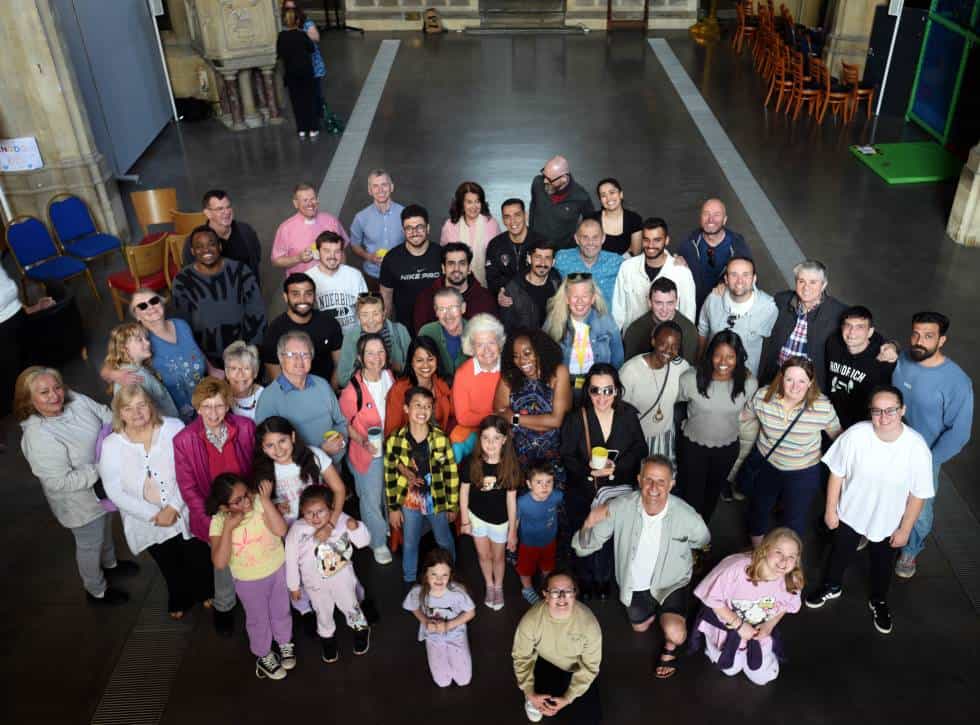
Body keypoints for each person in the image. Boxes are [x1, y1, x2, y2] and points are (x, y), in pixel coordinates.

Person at [806, 386, 934, 634]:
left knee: (882, 563)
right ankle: (832, 586)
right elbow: (837, 473)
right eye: (877, 411)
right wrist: (830, 510)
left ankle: (879, 600)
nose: (883, 417)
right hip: (850, 513)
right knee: (839, 552)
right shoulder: (855, 435)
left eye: (891, 411)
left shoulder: (916, 447)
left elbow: (919, 494)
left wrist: (906, 529)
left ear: (902, 410)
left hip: (888, 521)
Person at [573, 455, 710, 679]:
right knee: (640, 627)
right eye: (649, 480)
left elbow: (702, 539)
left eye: (661, 481)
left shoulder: (688, 516)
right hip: (634, 584)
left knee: (675, 633)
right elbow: (586, 546)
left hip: (671, 582)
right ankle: (660, 612)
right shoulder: (618, 507)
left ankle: (669, 645)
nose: (654, 487)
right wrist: (589, 522)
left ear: (671, 484)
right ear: (639, 479)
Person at [16, 367, 137, 605]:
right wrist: (102, 465)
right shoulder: (37, 435)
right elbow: (60, 481)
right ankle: (96, 589)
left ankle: (110, 565)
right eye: (44, 392)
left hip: (103, 488)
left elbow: (105, 414)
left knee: (105, 527)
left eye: (57, 387)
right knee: (90, 543)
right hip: (78, 503)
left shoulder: (76, 400)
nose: (55, 396)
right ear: (29, 399)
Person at [99, 385, 213, 618]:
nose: (136, 413)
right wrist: (152, 513)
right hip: (147, 520)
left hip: (184, 509)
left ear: (150, 406)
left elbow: (190, 471)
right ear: (119, 413)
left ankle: (205, 590)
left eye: (141, 405)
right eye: (128, 408)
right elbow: (114, 489)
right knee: (168, 561)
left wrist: (173, 506)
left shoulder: (174, 428)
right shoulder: (111, 445)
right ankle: (178, 594)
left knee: (197, 554)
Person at [891, 312, 972, 579]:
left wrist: (929, 460)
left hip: (925, 456)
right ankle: (876, 530)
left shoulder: (956, 381)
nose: (919, 341)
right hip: (890, 444)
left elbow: (959, 433)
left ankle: (911, 549)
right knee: (884, 493)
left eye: (928, 336)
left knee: (921, 511)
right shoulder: (904, 359)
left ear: (942, 340)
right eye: (915, 334)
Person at [174, 377, 256, 635]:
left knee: (253, 554)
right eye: (206, 406)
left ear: (228, 406)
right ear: (197, 407)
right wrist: (213, 523)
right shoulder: (183, 440)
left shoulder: (245, 427)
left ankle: (255, 604)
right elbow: (188, 488)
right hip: (214, 514)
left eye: (219, 406)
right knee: (223, 565)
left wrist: (252, 505)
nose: (213, 413)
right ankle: (224, 606)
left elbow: (255, 467)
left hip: (247, 506)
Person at [561, 363, 646, 599]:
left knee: (611, 539)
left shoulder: (628, 415)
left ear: (617, 390)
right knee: (585, 535)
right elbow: (567, 455)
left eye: (608, 390)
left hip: (617, 491)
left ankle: (603, 579)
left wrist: (615, 468)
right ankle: (585, 581)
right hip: (584, 491)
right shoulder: (576, 419)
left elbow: (640, 449)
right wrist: (588, 472)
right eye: (595, 391)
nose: (601, 397)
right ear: (587, 391)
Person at [738, 356, 842, 544]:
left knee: (794, 520)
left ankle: (786, 565)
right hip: (768, 465)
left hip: (803, 472)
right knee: (758, 512)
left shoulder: (822, 407)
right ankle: (759, 557)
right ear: (781, 378)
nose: (795, 387)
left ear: (810, 383)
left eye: (802, 381)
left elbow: (840, 439)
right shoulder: (763, 397)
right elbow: (742, 416)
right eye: (789, 379)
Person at [208, 474, 295, 680]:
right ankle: (263, 654)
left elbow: (281, 530)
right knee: (258, 619)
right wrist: (229, 527)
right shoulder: (219, 522)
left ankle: (284, 642)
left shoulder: (258, 503)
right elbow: (220, 562)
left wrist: (265, 501)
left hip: (277, 570)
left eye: (246, 494)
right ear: (223, 507)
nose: (246, 501)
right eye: (237, 501)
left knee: (281, 610)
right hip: (248, 581)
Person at [691, 528, 803, 685]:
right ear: (765, 549)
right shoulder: (736, 567)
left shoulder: (792, 579)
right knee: (730, 669)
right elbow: (710, 598)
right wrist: (739, 625)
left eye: (791, 556)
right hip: (727, 624)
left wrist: (769, 626)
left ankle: (757, 649)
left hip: (758, 629)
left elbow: (785, 605)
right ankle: (713, 647)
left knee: (764, 677)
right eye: (779, 552)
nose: (784, 561)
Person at [286, 485, 372, 663]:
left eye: (320, 511)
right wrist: (293, 586)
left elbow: (363, 543)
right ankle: (327, 638)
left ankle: (360, 629)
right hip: (315, 585)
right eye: (310, 512)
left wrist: (355, 527)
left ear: (331, 508)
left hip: (343, 580)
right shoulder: (297, 530)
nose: (315, 517)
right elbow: (291, 559)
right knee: (322, 612)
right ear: (302, 511)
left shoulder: (341, 520)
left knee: (350, 605)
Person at [678, 331, 758, 518]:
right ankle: (686, 537)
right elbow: (671, 402)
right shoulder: (690, 378)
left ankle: (703, 535)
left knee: (712, 494)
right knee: (691, 495)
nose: (723, 362)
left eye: (730, 356)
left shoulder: (749, 383)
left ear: (738, 357)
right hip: (693, 447)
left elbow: (751, 409)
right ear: (710, 355)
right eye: (718, 355)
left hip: (726, 449)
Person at [385, 386, 460, 585]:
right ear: (406, 408)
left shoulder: (440, 439)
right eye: (417, 405)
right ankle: (409, 579)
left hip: (436, 496)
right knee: (410, 541)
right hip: (409, 498)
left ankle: (451, 573)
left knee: (443, 539)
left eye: (428, 406)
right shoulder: (395, 440)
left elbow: (451, 473)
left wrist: (452, 505)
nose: (422, 410)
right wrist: (393, 508)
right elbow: (390, 475)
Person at [512, 570, 602, 723]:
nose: (561, 597)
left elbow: (590, 666)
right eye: (555, 592)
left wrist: (568, 698)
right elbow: (521, 656)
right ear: (545, 596)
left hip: (575, 667)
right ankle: (531, 696)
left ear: (575, 594)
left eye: (567, 591)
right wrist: (529, 691)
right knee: (542, 704)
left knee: (591, 719)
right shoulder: (531, 620)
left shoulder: (589, 624)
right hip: (544, 661)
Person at [172, 226, 266, 370]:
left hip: (242, 350)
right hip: (207, 356)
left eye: (211, 244)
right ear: (192, 251)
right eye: (199, 246)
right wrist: (204, 362)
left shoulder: (241, 271)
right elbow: (183, 325)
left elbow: (257, 313)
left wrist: (252, 350)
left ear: (220, 246)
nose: (206, 250)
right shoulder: (183, 280)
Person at [339, 334, 396, 564]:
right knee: (371, 497)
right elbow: (342, 422)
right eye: (370, 353)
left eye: (380, 352)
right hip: (367, 452)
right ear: (361, 357)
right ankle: (378, 541)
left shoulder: (389, 376)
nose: (376, 357)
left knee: (386, 491)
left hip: (389, 447)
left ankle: (384, 527)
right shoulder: (353, 390)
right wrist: (362, 441)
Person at [255, 331, 348, 465]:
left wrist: (341, 441)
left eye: (305, 354)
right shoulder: (269, 398)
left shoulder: (322, 385)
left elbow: (341, 422)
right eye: (292, 355)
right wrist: (320, 452)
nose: (299, 360)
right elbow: (268, 447)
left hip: (334, 467)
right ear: (281, 358)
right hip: (299, 476)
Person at [459, 416, 521, 611]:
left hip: (500, 521)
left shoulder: (510, 465)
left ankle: (499, 586)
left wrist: (512, 530)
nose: (490, 443)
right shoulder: (471, 462)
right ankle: (489, 585)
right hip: (477, 518)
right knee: (483, 556)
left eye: (496, 438)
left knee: (498, 557)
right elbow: (464, 491)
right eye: (486, 438)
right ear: (480, 439)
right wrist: (465, 520)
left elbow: (511, 500)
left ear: (504, 440)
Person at [118, 289, 207, 422]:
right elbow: (117, 361)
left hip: (206, 399)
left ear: (162, 302)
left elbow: (194, 349)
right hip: (179, 417)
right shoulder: (142, 343)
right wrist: (113, 373)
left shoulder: (181, 324)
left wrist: (211, 368)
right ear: (137, 316)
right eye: (142, 306)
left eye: (154, 301)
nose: (150, 307)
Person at [493, 328, 570, 481]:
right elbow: (499, 411)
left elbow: (556, 420)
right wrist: (542, 421)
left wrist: (515, 419)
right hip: (517, 456)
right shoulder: (510, 376)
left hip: (552, 456)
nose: (521, 361)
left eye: (527, 353)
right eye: (516, 356)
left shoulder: (558, 373)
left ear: (540, 350)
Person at [759, 260, 848, 392]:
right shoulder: (782, 300)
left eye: (813, 282)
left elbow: (864, 331)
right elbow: (754, 303)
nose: (806, 287)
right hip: (775, 378)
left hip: (810, 386)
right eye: (801, 281)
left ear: (823, 285)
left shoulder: (838, 312)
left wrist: (890, 346)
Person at [403, 548, 476, 688]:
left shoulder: (457, 593)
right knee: (442, 682)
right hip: (433, 635)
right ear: (426, 574)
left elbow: (470, 612)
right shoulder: (418, 592)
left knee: (464, 680)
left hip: (456, 634)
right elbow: (413, 607)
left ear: (450, 575)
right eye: (434, 574)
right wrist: (425, 621)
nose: (439, 579)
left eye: (444, 575)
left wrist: (448, 626)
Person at [620, 321, 691, 465]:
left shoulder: (682, 367)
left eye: (675, 346)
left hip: (664, 438)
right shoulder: (630, 371)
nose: (668, 350)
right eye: (663, 343)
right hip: (635, 439)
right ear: (653, 341)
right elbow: (620, 412)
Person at [253, 415, 345, 524]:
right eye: (270, 445)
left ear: (292, 437)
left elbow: (339, 489)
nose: (278, 449)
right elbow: (262, 507)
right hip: (289, 531)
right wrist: (275, 506)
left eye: (282, 441)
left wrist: (331, 523)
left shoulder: (314, 455)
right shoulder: (262, 471)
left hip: (321, 523)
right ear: (263, 448)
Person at [697, 256, 777, 376]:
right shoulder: (713, 299)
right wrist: (699, 362)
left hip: (745, 377)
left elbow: (770, 344)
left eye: (746, 274)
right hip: (712, 372)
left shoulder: (768, 308)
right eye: (734, 274)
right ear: (726, 279)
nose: (740, 281)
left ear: (754, 278)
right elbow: (703, 330)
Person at [545, 275, 623, 397]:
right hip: (564, 386)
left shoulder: (606, 321)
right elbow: (543, 357)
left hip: (596, 388)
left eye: (585, 296)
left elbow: (617, 359)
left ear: (592, 298)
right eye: (575, 297)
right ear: (566, 299)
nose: (580, 302)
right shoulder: (552, 321)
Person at [612, 217, 695, 329]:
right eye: (646, 239)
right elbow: (618, 311)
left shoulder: (682, 272)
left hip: (669, 342)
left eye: (657, 240)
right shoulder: (627, 268)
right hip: (634, 340)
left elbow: (688, 315)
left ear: (666, 240)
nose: (650, 245)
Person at [261, 273, 343, 386]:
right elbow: (276, 378)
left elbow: (340, 364)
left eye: (308, 294)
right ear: (286, 297)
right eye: (296, 294)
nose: (302, 299)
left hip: (327, 391)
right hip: (291, 395)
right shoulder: (275, 331)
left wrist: (330, 394)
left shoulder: (329, 323)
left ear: (314, 296)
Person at [825, 306, 897, 429]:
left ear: (870, 332)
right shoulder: (833, 343)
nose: (852, 332)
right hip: (830, 422)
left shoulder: (882, 357)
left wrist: (894, 347)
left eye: (860, 327)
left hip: (863, 428)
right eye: (848, 325)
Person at [0, 264, 55, 424]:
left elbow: (7, 295)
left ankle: (47, 413)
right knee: (17, 385)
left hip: (18, 320)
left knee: (34, 373)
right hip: (3, 333)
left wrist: (33, 308)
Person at [677, 198, 752, 314]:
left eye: (717, 215)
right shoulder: (688, 244)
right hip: (693, 311)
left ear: (725, 220)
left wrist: (728, 285)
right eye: (706, 214)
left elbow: (750, 282)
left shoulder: (738, 247)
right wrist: (676, 264)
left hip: (724, 313)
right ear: (700, 218)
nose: (710, 219)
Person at [379, 204, 443, 334]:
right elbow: (386, 298)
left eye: (419, 227)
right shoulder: (391, 259)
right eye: (409, 228)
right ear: (403, 231)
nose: (414, 232)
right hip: (404, 330)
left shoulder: (441, 255)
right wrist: (388, 331)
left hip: (438, 327)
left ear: (428, 228)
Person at [180, 190, 263, 285]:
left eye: (228, 207)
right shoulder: (195, 241)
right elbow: (191, 274)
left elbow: (256, 258)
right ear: (208, 213)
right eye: (220, 209)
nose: (226, 212)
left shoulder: (246, 231)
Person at [450, 314, 505, 454]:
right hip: (474, 431)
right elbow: (463, 417)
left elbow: (517, 414)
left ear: (499, 343)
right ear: (471, 348)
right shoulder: (463, 374)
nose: (486, 350)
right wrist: (496, 416)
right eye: (480, 345)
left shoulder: (510, 370)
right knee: (456, 448)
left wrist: (511, 421)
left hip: (506, 429)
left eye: (491, 343)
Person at [413, 242, 496, 332]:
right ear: (443, 269)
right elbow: (423, 338)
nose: (456, 269)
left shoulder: (486, 299)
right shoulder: (426, 298)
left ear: (469, 269)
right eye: (451, 263)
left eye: (462, 263)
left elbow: (493, 335)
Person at [103, 322, 179, 419]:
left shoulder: (139, 369)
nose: (148, 342)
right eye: (140, 340)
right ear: (124, 348)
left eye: (146, 339)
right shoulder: (130, 377)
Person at [271, 183, 349, 276]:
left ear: (317, 200)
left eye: (312, 199)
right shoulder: (285, 228)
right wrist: (298, 258)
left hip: (330, 282)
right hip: (301, 285)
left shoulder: (331, 221)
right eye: (305, 200)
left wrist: (342, 275)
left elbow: (342, 251)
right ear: (296, 204)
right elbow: (276, 261)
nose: (310, 204)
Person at [385, 335, 455, 437]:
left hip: (440, 445)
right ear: (411, 362)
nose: (426, 365)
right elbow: (391, 432)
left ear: (437, 360)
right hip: (409, 449)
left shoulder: (445, 384)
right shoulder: (399, 390)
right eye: (419, 360)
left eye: (430, 359)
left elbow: (455, 417)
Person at [515, 462, 564, 605]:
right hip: (528, 544)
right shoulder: (523, 502)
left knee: (547, 566)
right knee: (525, 569)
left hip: (549, 541)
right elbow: (516, 520)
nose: (545, 486)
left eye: (549, 482)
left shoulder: (556, 496)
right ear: (529, 484)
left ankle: (547, 586)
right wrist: (512, 538)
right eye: (539, 482)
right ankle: (527, 589)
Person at [337, 293, 411, 386]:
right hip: (365, 393)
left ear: (384, 314)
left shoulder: (400, 331)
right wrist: (365, 367)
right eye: (364, 315)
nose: (370, 320)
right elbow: (343, 379)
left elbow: (413, 369)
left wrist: (394, 366)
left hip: (397, 390)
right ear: (358, 316)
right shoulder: (350, 336)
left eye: (375, 314)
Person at [349, 169, 405, 289]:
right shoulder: (361, 217)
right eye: (375, 186)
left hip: (400, 274)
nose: (380, 190)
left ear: (391, 187)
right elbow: (354, 244)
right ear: (370, 190)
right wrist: (368, 256)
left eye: (384, 185)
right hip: (372, 276)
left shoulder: (404, 214)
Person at [622, 277, 699, 362]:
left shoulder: (689, 330)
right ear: (649, 302)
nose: (664, 309)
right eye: (659, 303)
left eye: (670, 303)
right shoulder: (634, 330)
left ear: (676, 302)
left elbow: (688, 369)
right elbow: (630, 367)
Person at [305, 231, 368, 334]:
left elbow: (365, 309)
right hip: (322, 338)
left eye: (337, 251)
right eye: (327, 251)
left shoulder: (355, 275)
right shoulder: (307, 278)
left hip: (352, 338)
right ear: (317, 252)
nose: (332, 256)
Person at [439, 181, 500, 287]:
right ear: (461, 204)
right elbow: (444, 256)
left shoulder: (491, 223)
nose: (474, 206)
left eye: (477, 201)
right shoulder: (450, 225)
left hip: (486, 285)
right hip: (455, 285)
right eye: (469, 202)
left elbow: (498, 255)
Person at [529, 155, 595, 249]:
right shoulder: (537, 183)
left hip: (563, 251)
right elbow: (533, 208)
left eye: (549, 179)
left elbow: (590, 222)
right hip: (537, 247)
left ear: (563, 179)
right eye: (544, 175)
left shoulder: (581, 197)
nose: (544, 181)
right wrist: (530, 235)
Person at [485, 198, 548, 296]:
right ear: (503, 220)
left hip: (536, 298)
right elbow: (492, 279)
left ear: (525, 216)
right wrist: (503, 292)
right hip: (506, 298)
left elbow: (548, 275)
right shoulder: (495, 245)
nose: (512, 221)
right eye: (507, 217)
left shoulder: (541, 242)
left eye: (517, 215)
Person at [497, 239, 562, 335]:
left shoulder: (557, 284)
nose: (542, 263)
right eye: (538, 257)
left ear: (553, 262)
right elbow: (506, 330)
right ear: (529, 259)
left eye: (547, 258)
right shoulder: (513, 290)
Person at [554, 219, 623, 306]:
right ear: (576, 239)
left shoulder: (616, 262)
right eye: (585, 237)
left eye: (595, 237)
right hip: (572, 318)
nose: (590, 242)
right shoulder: (562, 258)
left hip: (606, 318)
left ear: (603, 238)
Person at [282, 1, 327, 129]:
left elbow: (315, 40)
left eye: (292, 8)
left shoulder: (306, 24)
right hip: (296, 68)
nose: (290, 11)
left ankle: (316, 119)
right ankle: (308, 124)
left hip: (312, 65)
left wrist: (298, 35)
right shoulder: (284, 27)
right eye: (287, 8)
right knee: (300, 98)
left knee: (315, 94)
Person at [277, 6, 318, 138]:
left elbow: (280, 53)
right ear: (297, 20)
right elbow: (312, 49)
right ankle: (312, 128)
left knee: (296, 101)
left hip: (291, 73)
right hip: (306, 72)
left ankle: (301, 128)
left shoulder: (281, 36)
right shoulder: (302, 35)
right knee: (309, 99)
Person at [417, 288, 470, 381]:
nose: (448, 315)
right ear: (436, 311)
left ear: (463, 308)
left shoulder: (479, 333)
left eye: (453, 308)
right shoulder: (427, 332)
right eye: (442, 309)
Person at [585, 177, 643, 256]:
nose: (609, 198)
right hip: (597, 265)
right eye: (603, 195)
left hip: (627, 264)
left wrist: (618, 262)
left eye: (612, 192)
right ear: (600, 200)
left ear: (621, 194)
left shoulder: (634, 219)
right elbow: (587, 250)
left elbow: (636, 253)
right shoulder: (591, 219)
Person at [223, 341, 263, 419]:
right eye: (234, 368)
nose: (240, 374)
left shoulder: (265, 395)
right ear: (227, 373)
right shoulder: (220, 397)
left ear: (255, 372)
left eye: (246, 368)